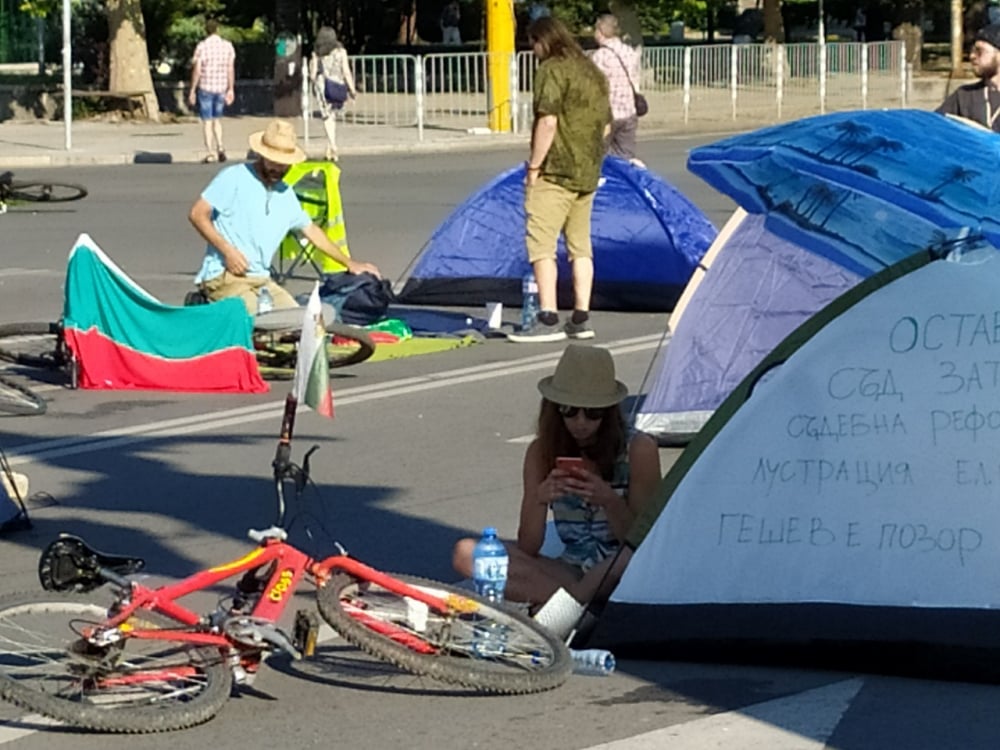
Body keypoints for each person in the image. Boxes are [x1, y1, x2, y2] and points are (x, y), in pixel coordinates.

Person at [451, 344, 661, 637]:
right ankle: (573, 607)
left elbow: (644, 541)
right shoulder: (541, 452)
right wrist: (540, 498)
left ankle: (558, 609)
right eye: (569, 411)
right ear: (554, 409)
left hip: (620, 568)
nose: (580, 423)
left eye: (593, 413)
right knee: (467, 552)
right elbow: (529, 546)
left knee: (622, 559)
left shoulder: (639, 449)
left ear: (609, 413)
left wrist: (609, 500)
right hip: (570, 568)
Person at [189, 119, 381, 315]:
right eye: (273, 161)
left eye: (283, 164)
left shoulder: (285, 193)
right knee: (260, 321)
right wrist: (227, 251)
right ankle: (206, 306)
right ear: (262, 155)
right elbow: (197, 214)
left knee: (298, 322)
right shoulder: (234, 177)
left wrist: (349, 263)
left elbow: (312, 231)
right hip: (225, 276)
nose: (278, 168)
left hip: (261, 280)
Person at [507, 17, 612, 344]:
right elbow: (606, 127)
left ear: (542, 41)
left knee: (541, 245)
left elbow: (548, 121)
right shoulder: (592, 71)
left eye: (533, 44)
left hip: (556, 172)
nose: (533, 51)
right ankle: (581, 317)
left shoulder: (551, 70)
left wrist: (534, 167)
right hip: (587, 173)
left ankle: (548, 316)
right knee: (580, 246)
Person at [590, 14, 642, 162]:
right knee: (625, 159)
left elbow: (593, 86)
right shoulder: (629, 52)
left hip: (607, 115)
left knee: (600, 159)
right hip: (628, 112)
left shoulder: (600, 56)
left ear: (600, 31)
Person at [188, 19, 236, 164]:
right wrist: (231, 88)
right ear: (218, 30)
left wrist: (192, 90)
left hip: (206, 87)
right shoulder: (227, 46)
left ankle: (210, 152)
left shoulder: (202, 47)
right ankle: (220, 147)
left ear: (206, 31)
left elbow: (197, 69)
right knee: (217, 120)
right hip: (221, 87)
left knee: (207, 122)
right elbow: (230, 68)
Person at [937, 24, 1000, 134]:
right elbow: (934, 126)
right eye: (972, 50)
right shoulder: (964, 96)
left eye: (979, 51)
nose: (972, 56)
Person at [310, 27, 357, 162]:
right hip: (337, 85)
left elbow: (313, 75)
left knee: (326, 117)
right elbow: (346, 71)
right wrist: (352, 89)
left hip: (322, 86)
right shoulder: (341, 52)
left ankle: (332, 145)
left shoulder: (317, 53)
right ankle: (330, 147)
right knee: (333, 117)